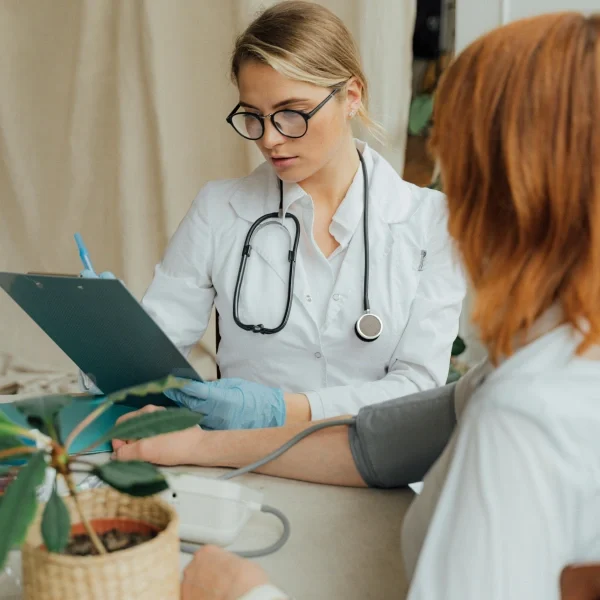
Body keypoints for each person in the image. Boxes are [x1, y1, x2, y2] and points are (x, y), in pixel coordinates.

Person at [113, 10, 600, 600]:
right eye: (254, 117)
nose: (270, 137)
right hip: (244, 482)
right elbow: (379, 443)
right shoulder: (526, 372)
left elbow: (412, 398)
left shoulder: (521, 412)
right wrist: (199, 442)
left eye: (460, 162)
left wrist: (242, 595)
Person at [82, 0, 465, 430]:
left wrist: (286, 410)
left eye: (290, 113)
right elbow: (145, 368)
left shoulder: (431, 221)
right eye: (254, 117)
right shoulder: (218, 211)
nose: (269, 138)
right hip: (242, 463)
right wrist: (107, 340)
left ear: (351, 97)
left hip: (369, 469)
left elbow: (418, 387)